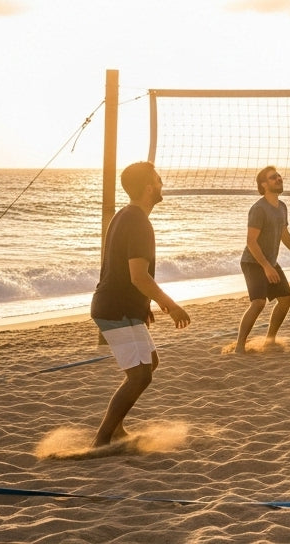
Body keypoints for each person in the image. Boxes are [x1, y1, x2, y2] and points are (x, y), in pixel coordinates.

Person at [89, 161, 191, 447]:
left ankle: (116, 428)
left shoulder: (126, 215)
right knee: (139, 376)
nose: (162, 184)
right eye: (158, 180)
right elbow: (138, 276)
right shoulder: (138, 222)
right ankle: (102, 439)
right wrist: (172, 307)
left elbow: (119, 269)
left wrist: (143, 304)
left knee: (149, 365)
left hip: (119, 305)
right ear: (149, 187)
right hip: (115, 308)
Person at [235, 165, 290, 353]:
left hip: (269, 262)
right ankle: (240, 346)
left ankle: (269, 340)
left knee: (286, 299)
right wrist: (266, 267)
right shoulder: (258, 209)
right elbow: (251, 242)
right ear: (263, 184)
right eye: (273, 177)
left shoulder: (282, 207)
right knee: (258, 303)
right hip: (253, 261)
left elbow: (284, 235)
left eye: (279, 176)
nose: (278, 179)